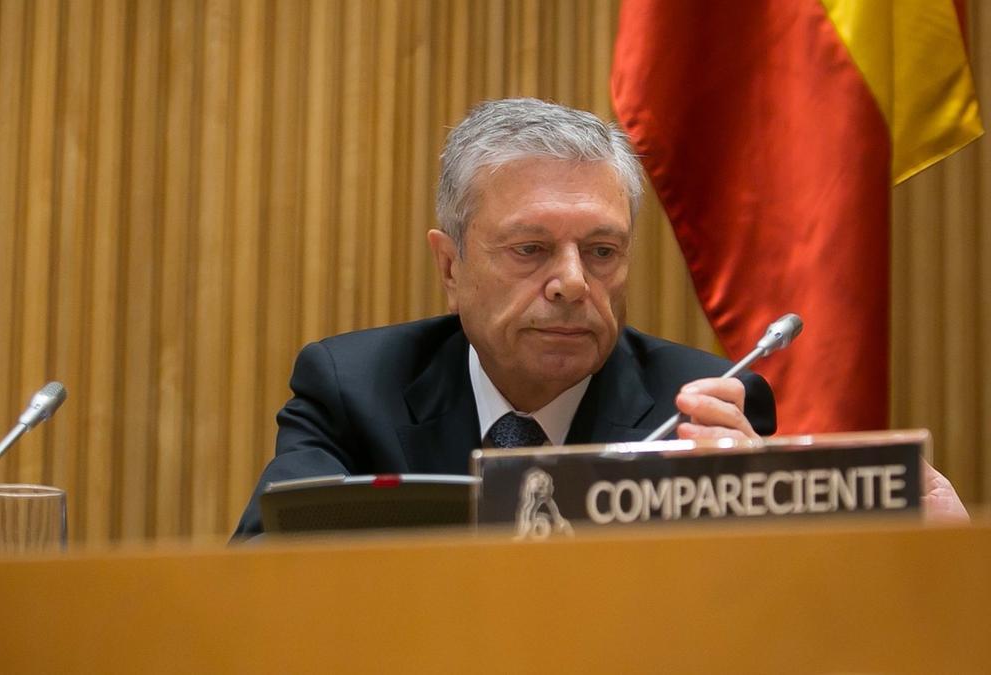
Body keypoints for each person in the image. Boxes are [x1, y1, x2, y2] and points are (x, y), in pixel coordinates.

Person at [234, 98, 964, 539]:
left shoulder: (701, 409)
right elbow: (261, 572)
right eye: (531, 249)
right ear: (450, 267)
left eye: (603, 250)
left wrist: (752, 519)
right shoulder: (351, 388)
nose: (575, 283)